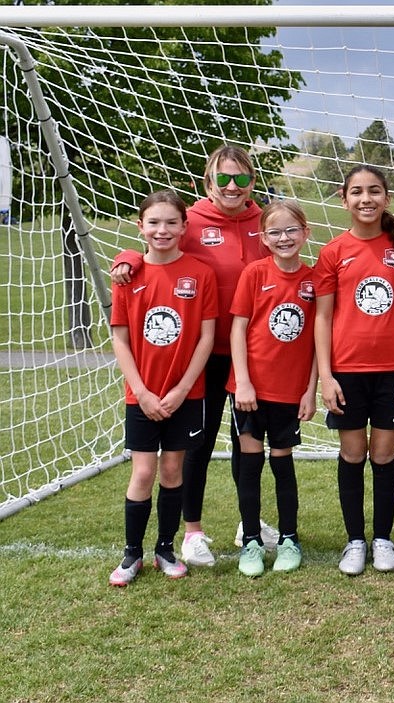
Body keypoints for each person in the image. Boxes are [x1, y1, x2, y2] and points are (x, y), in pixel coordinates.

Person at [111, 145, 272, 568]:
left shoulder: (265, 221)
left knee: (248, 441)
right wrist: (125, 259)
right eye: (223, 178)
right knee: (195, 444)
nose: (232, 186)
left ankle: (248, 524)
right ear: (208, 183)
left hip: (249, 354)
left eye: (240, 178)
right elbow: (152, 249)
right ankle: (193, 531)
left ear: (252, 181)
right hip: (198, 355)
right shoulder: (193, 219)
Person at [313, 165, 394, 576]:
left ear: (387, 198)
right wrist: (326, 374)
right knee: (353, 452)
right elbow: (323, 318)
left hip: (393, 370)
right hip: (347, 371)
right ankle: (355, 540)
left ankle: (383, 539)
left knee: (384, 453)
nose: (366, 199)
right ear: (344, 200)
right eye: (356, 191)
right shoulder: (333, 252)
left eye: (374, 191)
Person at [108, 190, 218, 585]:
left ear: (185, 227)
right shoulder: (128, 275)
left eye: (172, 222)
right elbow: (120, 339)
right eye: (154, 222)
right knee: (142, 472)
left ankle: (164, 550)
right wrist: (143, 391)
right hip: (142, 395)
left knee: (172, 470)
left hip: (185, 395)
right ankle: (132, 554)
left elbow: (206, 337)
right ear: (140, 227)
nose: (163, 229)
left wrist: (181, 389)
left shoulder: (200, 274)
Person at [227, 201, 317, 577]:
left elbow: (317, 341)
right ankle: (250, 541)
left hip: (290, 392)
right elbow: (238, 329)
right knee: (250, 464)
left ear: (305, 233)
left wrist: (310, 390)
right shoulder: (254, 273)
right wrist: (243, 381)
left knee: (283, 464)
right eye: (275, 232)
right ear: (263, 238)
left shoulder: (313, 281)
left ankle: (289, 540)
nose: (284, 238)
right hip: (249, 390)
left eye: (291, 230)